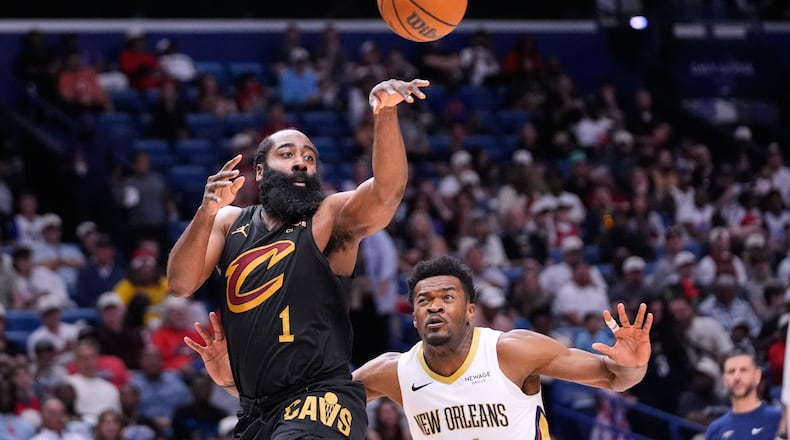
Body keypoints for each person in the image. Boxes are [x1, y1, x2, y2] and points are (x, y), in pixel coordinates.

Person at [166, 77, 430, 439]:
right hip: (256, 410)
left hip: (321, 400)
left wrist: (384, 114)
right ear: (260, 172)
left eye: (309, 157)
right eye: (287, 154)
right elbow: (180, 283)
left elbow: (387, 192)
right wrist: (206, 211)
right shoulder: (228, 223)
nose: (302, 163)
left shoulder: (328, 216)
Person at [187, 256, 652, 439]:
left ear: (470, 309)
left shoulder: (512, 351)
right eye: (424, 300)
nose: (434, 306)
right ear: (411, 315)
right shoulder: (394, 371)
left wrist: (633, 365)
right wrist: (234, 379)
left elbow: (613, 378)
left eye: (447, 297)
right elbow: (294, 410)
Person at [705, 349, 782, 439]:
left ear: (757, 376)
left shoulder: (779, 419)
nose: (737, 377)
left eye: (743, 370)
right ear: (725, 380)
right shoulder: (715, 430)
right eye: (731, 371)